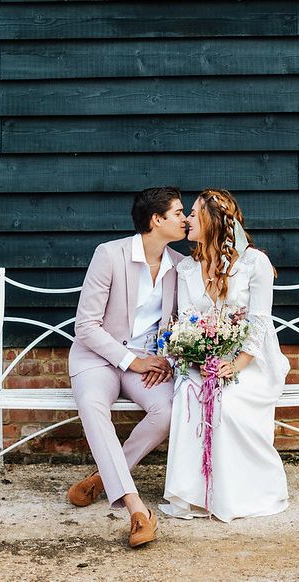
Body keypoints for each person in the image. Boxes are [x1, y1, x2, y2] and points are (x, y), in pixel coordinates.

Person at [159, 188, 291, 522]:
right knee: (190, 396)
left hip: (250, 361)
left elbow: (259, 322)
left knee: (227, 404)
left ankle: (242, 492)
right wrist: (197, 359)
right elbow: (186, 320)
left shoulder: (254, 263)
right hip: (201, 360)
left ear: (212, 220)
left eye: (192, 212)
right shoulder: (187, 268)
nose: (186, 219)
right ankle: (196, 495)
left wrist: (235, 364)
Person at [67, 187, 186, 547]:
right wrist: (130, 361)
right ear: (156, 220)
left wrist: (166, 358)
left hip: (147, 360)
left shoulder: (180, 266)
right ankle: (137, 509)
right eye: (178, 213)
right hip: (96, 356)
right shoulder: (109, 254)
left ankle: (103, 478)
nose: (185, 219)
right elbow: (85, 325)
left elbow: (180, 324)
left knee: (166, 411)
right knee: (92, 404)